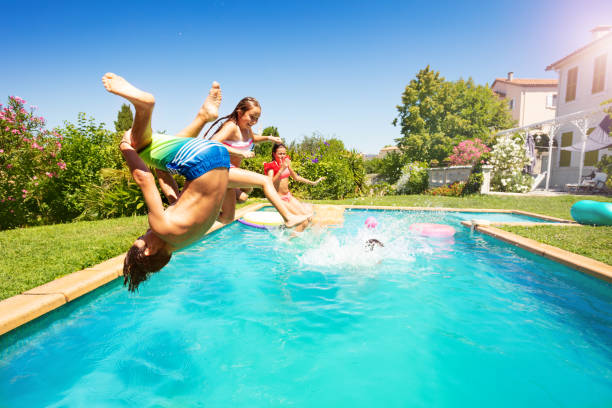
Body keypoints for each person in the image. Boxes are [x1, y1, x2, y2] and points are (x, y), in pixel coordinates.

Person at [102, 72, 229, 291]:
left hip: (219, 159)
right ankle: (144, 106)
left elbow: (175, 194)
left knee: (156, 155)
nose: (145, 233)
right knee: (140, 144)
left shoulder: (184, 240)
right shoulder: (161, 228)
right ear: (149, 249)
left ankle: (203, 116)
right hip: (201, 161)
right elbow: (144, 179)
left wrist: (161, 170)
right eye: (142, 237)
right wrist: (127, 149)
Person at [203, 98, 309, 224]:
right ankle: (289, 218)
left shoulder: (247, 129)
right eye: (252, 117)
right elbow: (212, 143)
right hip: (221, 169)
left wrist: (269, 138)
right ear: (240, 112)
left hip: (231, 173)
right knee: (265, 181)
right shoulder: (231, 126)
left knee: (228, 217)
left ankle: (201, 213)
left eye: (257, 118)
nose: (254, 121)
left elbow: (253, 139)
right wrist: (240, 152)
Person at [264, 143, 325, 217]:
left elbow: (296, 177)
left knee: (306, 213)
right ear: (274, 154)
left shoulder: (286, 164)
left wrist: (313, 182)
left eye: (284, 154)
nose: (282, 156)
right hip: (278, 198)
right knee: (298, 216)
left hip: (288, 196)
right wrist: (282, 169)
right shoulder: (271, 166)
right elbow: (269, 183)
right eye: (280, 154)